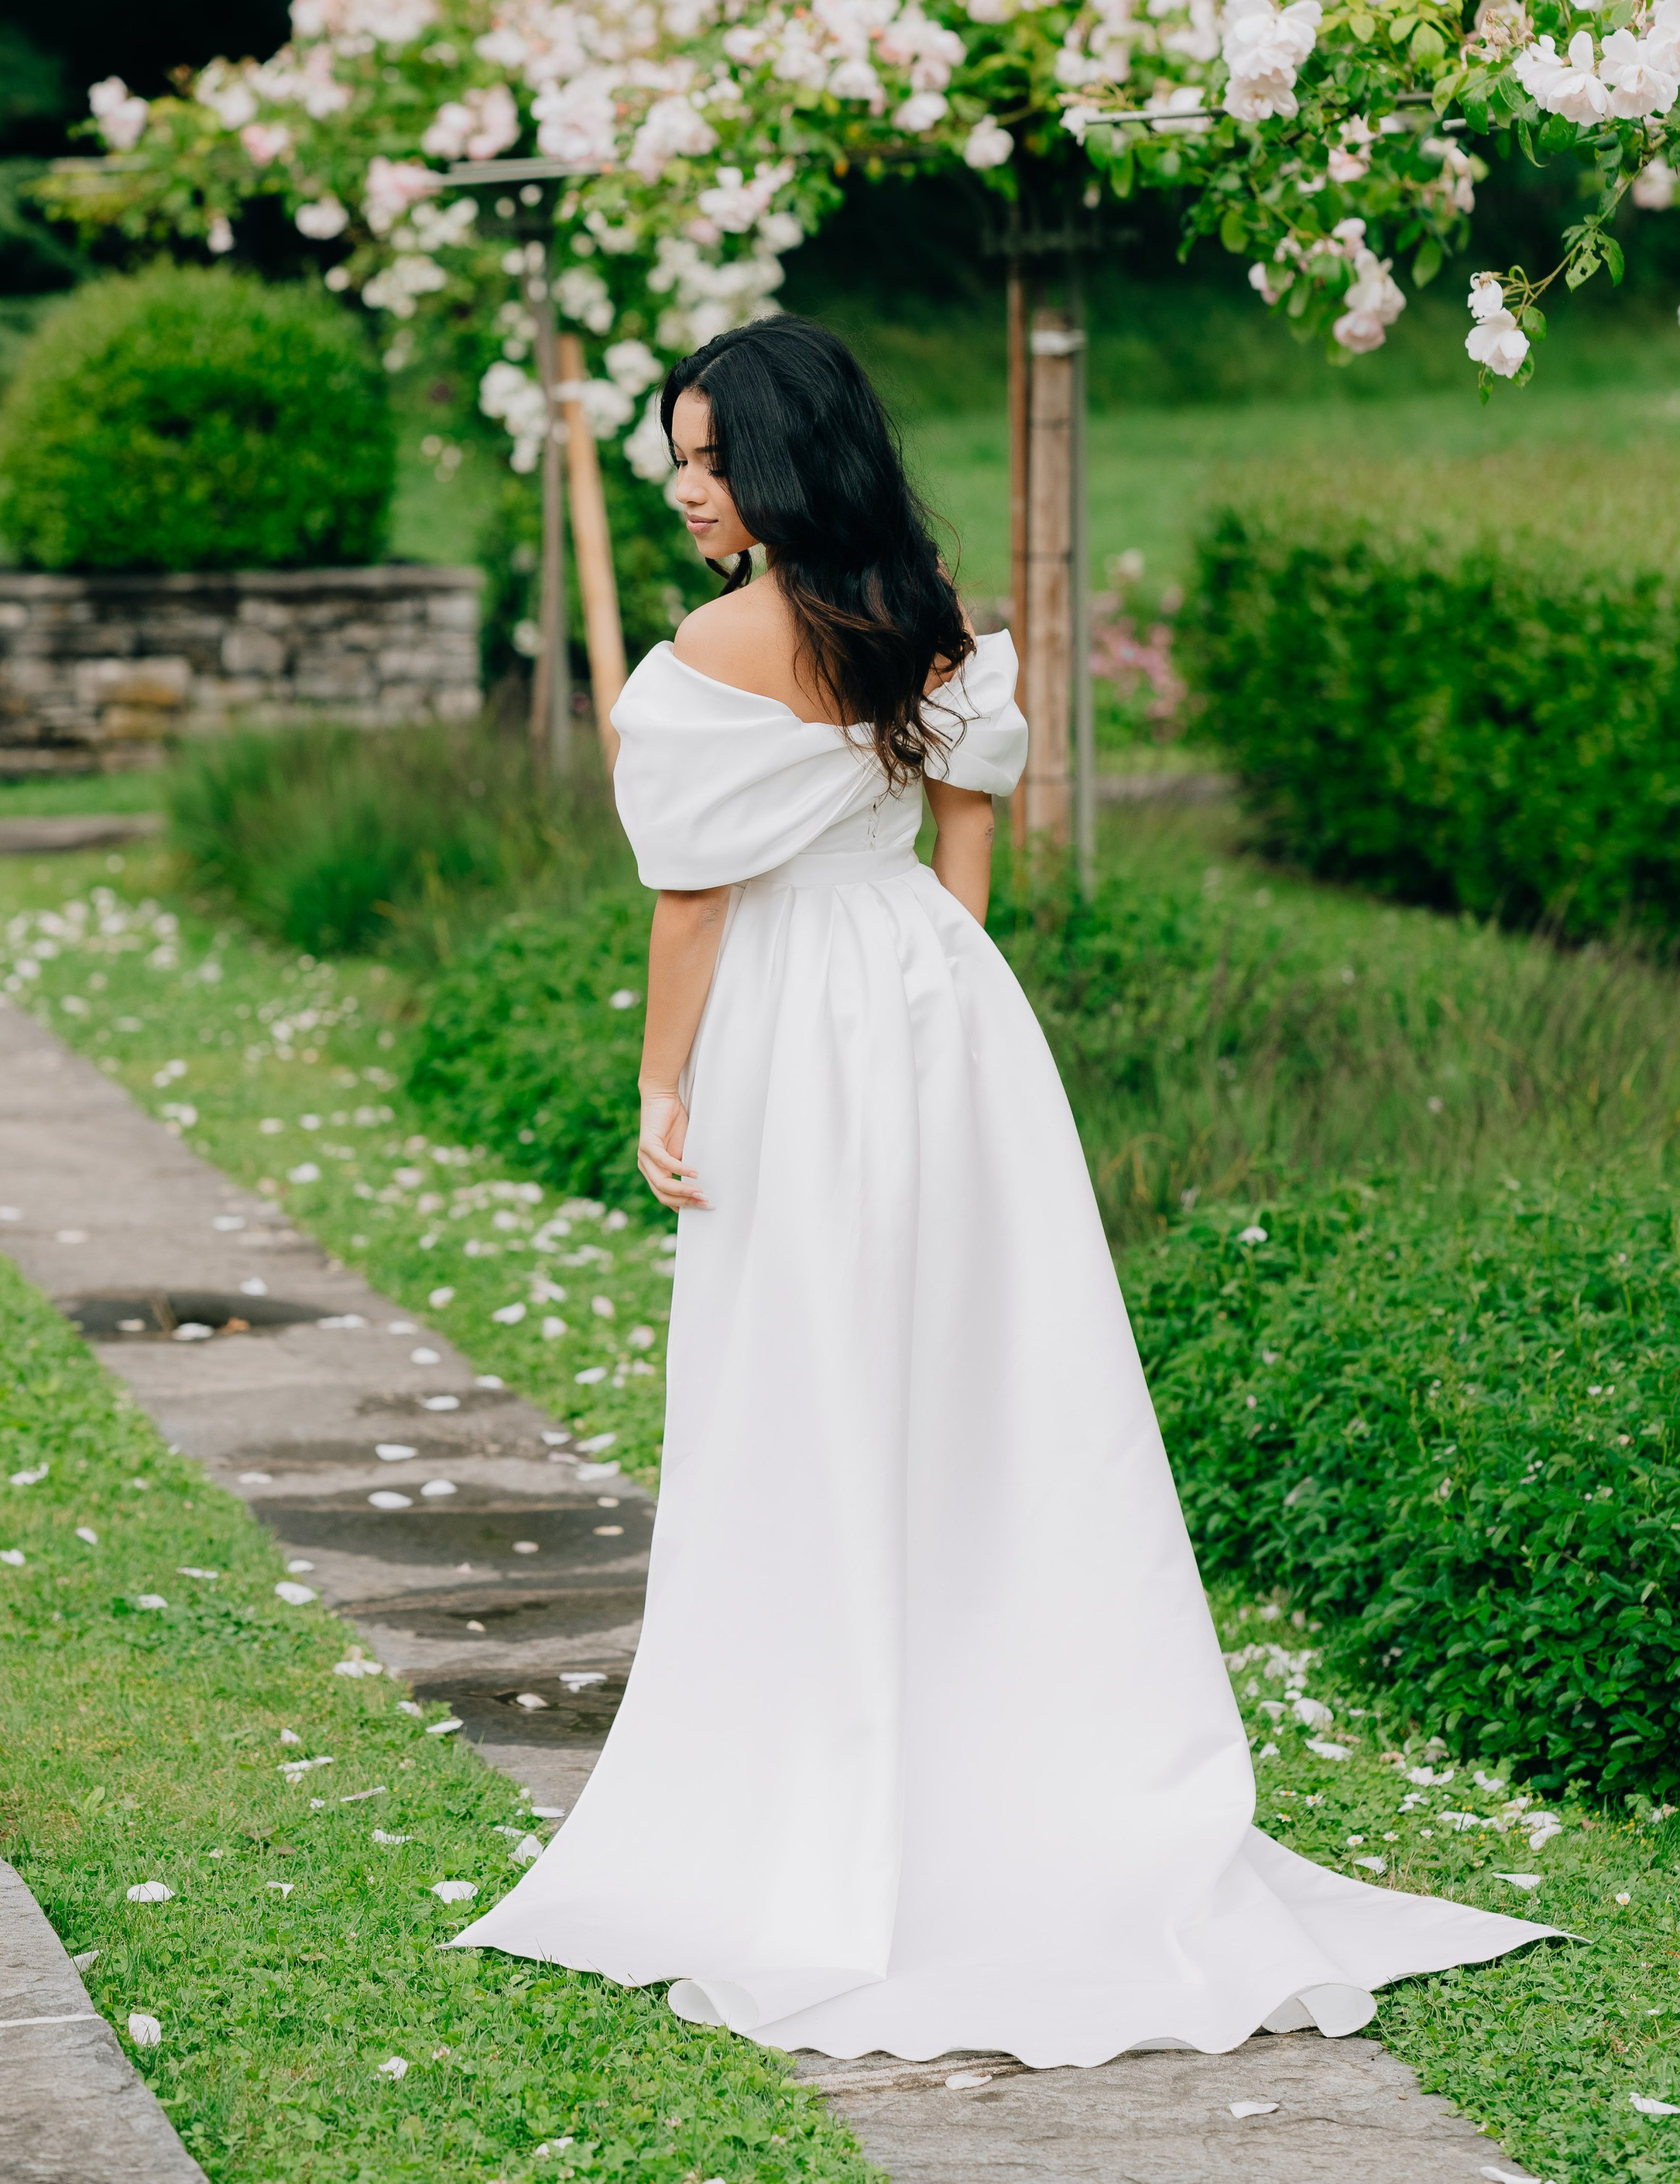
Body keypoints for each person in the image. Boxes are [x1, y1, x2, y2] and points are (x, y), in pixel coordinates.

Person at [457, 314, 1547, 2062]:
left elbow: (694, 901)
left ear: (784, 467)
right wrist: (926, 1044)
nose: (683, 487)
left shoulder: (708, 653)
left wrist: (664, 1080)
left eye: (710, 458)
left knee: (802, 1384)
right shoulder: (947, 635)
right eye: (675, 456)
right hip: (942, 1023)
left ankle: (817, 1760)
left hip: (793, 1031)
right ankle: (1027, 1733)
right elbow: (965, 888)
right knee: (989, 1380)